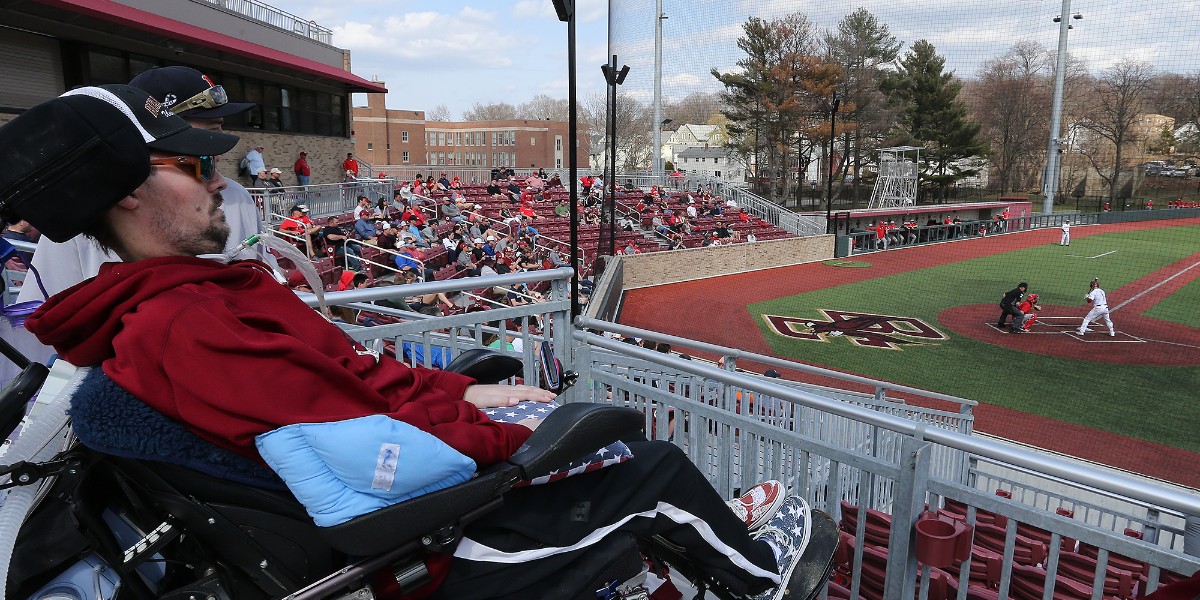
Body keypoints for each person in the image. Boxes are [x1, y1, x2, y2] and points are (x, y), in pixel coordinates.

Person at [2, 86, 818, 600]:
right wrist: (518, 444)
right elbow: (360, 439)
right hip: (433, 551)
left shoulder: (173, 307)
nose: (223, 180)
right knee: (647, 463)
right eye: (191, 164)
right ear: (129, 194)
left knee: (569, 427)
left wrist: (462, 394)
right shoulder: (187, 323)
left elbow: (352, 396)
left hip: (393, 512)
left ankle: (712, 543)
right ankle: (758, 578)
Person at [15, 65, 272, 304]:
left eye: (221, 127)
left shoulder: (236, 194)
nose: (221, 141)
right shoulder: (88, 207)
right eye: (210, 129)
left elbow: (264, 272)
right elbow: (44, 307)